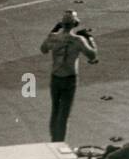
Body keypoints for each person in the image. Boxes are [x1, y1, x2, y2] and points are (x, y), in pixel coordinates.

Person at [40, 8, 99, 142]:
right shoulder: (78, 40)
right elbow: (92, 55)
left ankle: (53, 139)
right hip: (69, 79)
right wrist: (90, 39)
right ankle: (59, 142)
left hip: (55, 77)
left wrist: (53, 31)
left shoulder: (53, 38)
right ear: (75, 24)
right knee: (64, 114)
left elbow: (43, 49)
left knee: (55, 110)